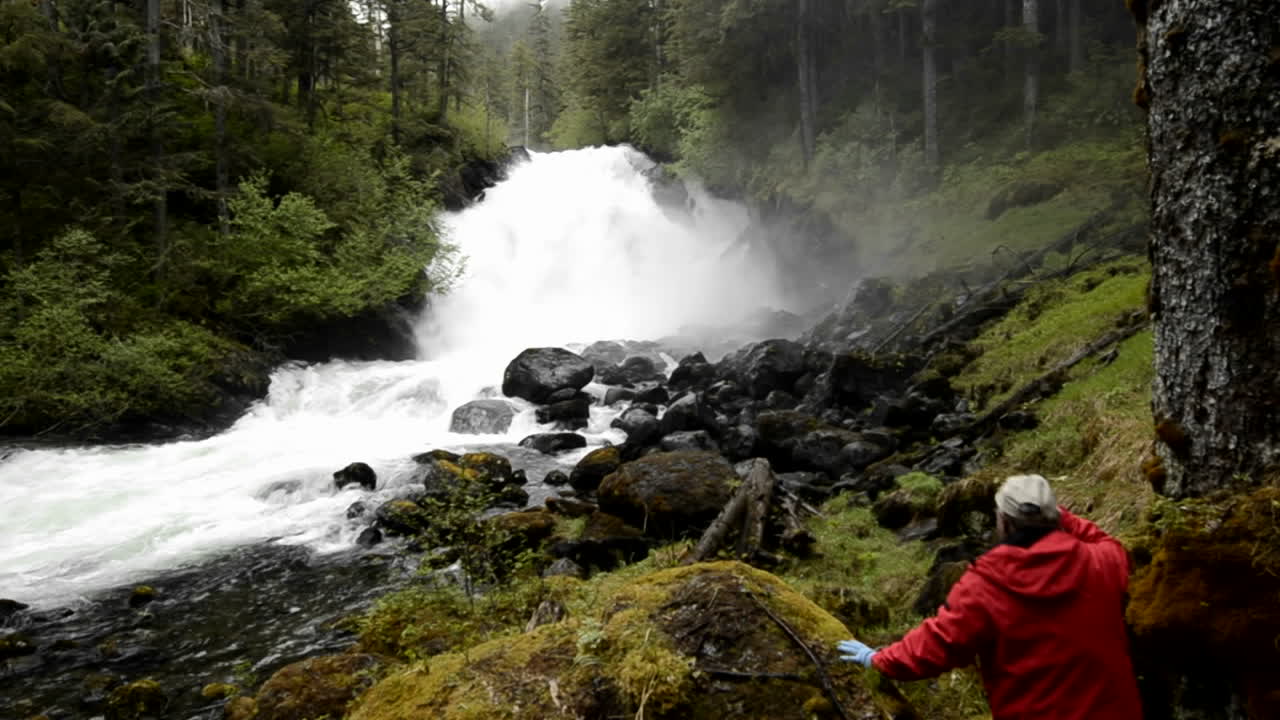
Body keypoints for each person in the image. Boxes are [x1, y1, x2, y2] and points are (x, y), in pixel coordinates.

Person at [836, 474, 1142, 719]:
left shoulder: (986, 586)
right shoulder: (1102, 563)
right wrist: (1054, 516)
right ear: (1054, 518)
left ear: (1004, 522)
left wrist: (878, 659)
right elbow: (1105, 541)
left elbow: (937, 644)